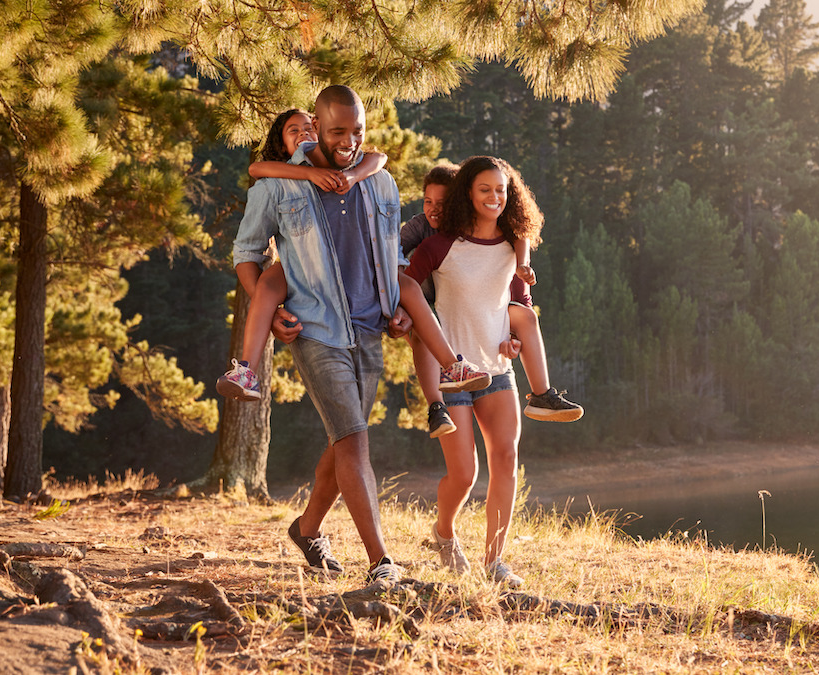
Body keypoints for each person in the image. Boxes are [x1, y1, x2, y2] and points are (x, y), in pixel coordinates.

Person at [232, 86, 471, 583]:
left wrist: (396, 309)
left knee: (343, 443)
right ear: (318, 128)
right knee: (355, 441)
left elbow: (391, 255)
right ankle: (381, 562)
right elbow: (246, 252)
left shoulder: (379, 182)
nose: (349, 140)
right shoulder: (278, 187)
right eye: (338, 131)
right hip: (317, 329)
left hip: (369, 329)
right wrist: (270, 307)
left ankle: (308, 528)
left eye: (357, 130)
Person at [218, 110, 491, 411]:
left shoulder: (351, 168)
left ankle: (452, 365)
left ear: (320, 132)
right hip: (303, 269)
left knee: (410, 288)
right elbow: (257, 168)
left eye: (309, 128)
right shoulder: (278, 178)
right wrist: (310, 173)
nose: (303, 135)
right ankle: (246, 370)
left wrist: (351, 175)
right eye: (293, 130)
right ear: (282, 144)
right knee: (268, 284)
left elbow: (379, 158)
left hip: (363, 282)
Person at [404, 156, 546, 588]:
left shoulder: (511, 247)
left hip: (498, 371)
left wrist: (515, 340)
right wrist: (402, 322)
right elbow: (406, 290)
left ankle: (494, 561)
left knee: (506, 459)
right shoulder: (439, 246)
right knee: (464, 473)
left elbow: (517, 304)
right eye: (485, 189)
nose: (494, 197)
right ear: (468, 192)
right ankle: (443, 532)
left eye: (501, 190)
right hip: (454, 375)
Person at [401, 165, 582, 429]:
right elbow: (394, 257)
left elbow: (520, 285)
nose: (435, 209)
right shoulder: (425, 232)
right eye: (429, 202)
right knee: (423, 329)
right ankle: (435, 406)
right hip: (432, 311)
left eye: (443, 202)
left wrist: (513, 335)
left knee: (525, 315)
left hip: (490, 358)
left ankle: (542, 394)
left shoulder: (507, 239)